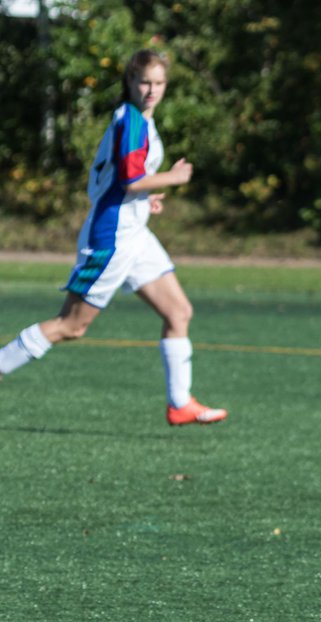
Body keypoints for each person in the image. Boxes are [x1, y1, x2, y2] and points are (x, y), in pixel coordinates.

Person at [0, 49, 226, 426]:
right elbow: (130, 179)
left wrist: (145, 198)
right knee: (71, 326)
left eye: (158, 83)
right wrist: (172, 178)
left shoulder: (137, 121)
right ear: (130, 83)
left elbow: (121, 183)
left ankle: (180, 403)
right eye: (145, 82)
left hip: (134, 231)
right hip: (112, 237)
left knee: (178, 312)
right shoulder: (133, 122)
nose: (151, 90)